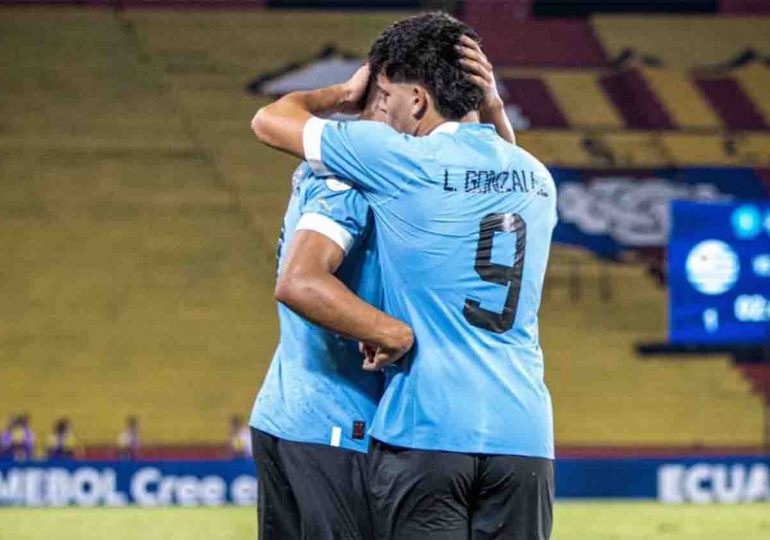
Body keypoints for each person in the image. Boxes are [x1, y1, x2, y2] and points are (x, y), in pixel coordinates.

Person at [251, 12, 556, 540]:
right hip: (524, 433)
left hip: (425, 425)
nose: (379, 111)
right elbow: (500, 163)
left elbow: (269, 121)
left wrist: (345, 95)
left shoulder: (396, 161)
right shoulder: (536, 178)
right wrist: (493, 107)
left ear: (416, 100)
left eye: (386, 97)